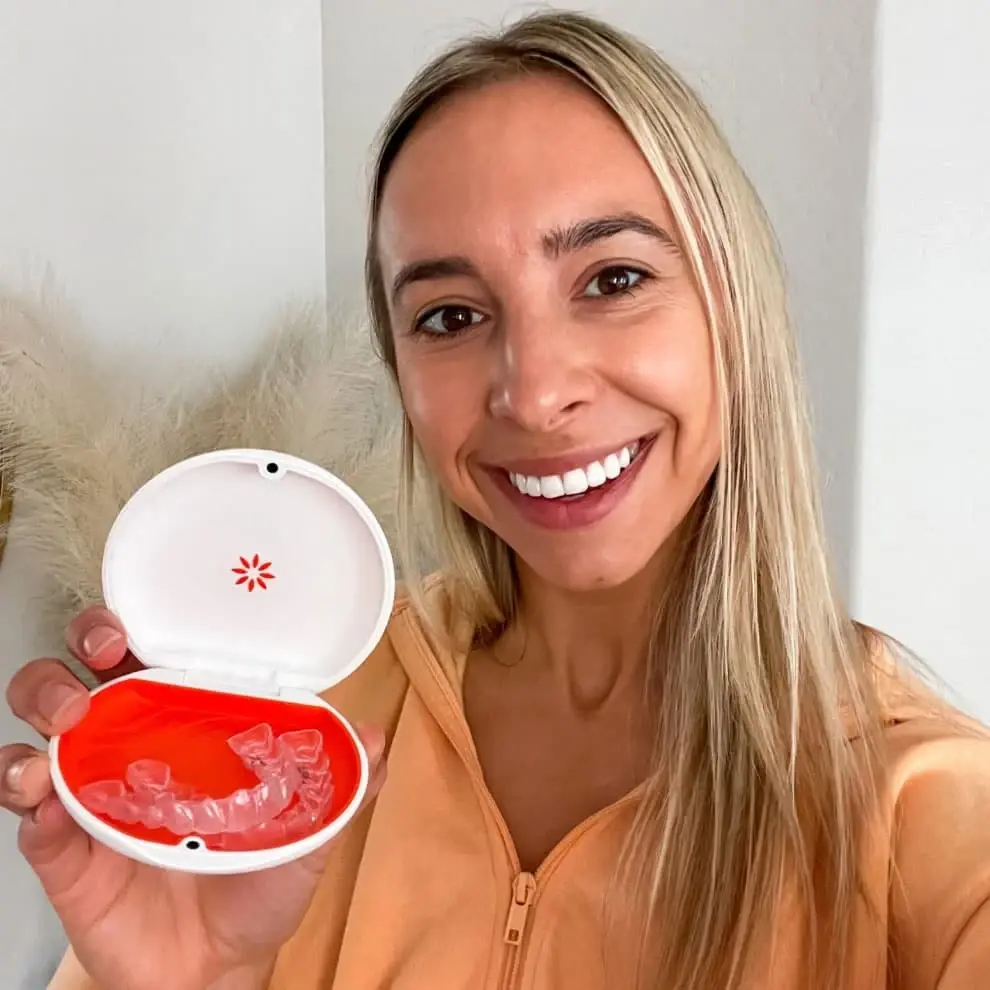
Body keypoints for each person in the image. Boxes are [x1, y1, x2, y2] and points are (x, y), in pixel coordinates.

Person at [2, 10, 989, 990]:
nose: (533, 391)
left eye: (612, 278)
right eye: (452, 315)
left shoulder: (922, 811)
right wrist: (198, 979)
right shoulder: (302, 737)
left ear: (736, 311)